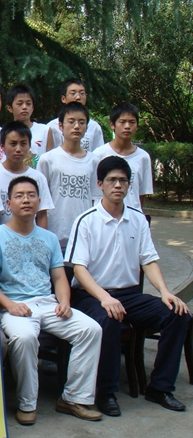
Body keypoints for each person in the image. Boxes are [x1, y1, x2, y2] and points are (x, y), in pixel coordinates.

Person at [66, 156, 190, 416]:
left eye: (123, 180)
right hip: (91, 295)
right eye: (112, 180)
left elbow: (149, 260)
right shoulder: (86, 220)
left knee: (177, 314)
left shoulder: (137, 219)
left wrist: (165, 292)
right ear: (100, 184)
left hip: (129, 295)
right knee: (110, 317)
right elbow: (79, 269)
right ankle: (106, 392)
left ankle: (160, 387)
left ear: (129, 185)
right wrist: (104, 298)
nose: (118, 185)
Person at [0, 176, 102, 425]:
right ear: (8, 203)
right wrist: (9, 305)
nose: (26, 200)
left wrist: (64, 301)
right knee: (25, 338)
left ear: (39, 201)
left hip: (48, 304)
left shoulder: (49, 238)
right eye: (19, 196)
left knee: (91, 329)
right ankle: (27, 403)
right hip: (14, 307)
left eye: (31, 195)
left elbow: (59, 276)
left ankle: (74, 398)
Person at [36, 102, 98, 249]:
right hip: (54, 234)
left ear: (86, 127)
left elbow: (96, 200)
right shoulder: (48, 159)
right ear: (60, 126)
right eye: (71, 122)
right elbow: (40, 199)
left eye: (81, 122)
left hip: (83, 236)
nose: (76, 126)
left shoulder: (94, 161)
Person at [0, 121, 53, 228]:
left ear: (29, 146)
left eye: (23, 144)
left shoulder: (38, 177)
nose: (18, 149)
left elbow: (41, 215)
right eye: (13, 144)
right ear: (2, 146)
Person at [92, 103, 153, 212]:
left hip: (132, 216)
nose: (127, 126)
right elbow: (94, 191)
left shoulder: (143, 157)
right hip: (103, 216)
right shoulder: (99, 154)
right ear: (112, 124)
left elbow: (142, 193)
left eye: (132, 122)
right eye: (122, 122)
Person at [47, 78, 104, 152]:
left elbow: (98, 153)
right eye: (73, 93)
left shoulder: (94, 127)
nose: (78, 97)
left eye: (82, 93)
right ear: (63, 98)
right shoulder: (51, 127)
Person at [5, 83, 53, 168]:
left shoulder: (45, 131)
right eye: (20, 104)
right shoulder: (5, 133)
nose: (24, 107)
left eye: (28, 104)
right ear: (10, 108)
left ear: (33, 107)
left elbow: (50, 163)